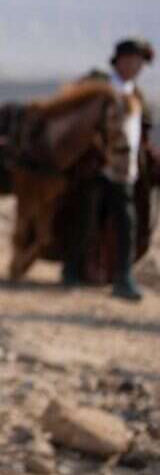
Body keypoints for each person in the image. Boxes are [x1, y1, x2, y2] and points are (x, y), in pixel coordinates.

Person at [62, 37, 153, 301]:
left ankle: (123, 277)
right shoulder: (99, 87)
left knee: (126, 223)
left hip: (125, 171)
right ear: (122, 60)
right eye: (134, 60)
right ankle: (71, 270)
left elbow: (143, 131)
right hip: (96, 168)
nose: (137, 67)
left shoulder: (135, 94)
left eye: (140, 63)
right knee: (85, 218)